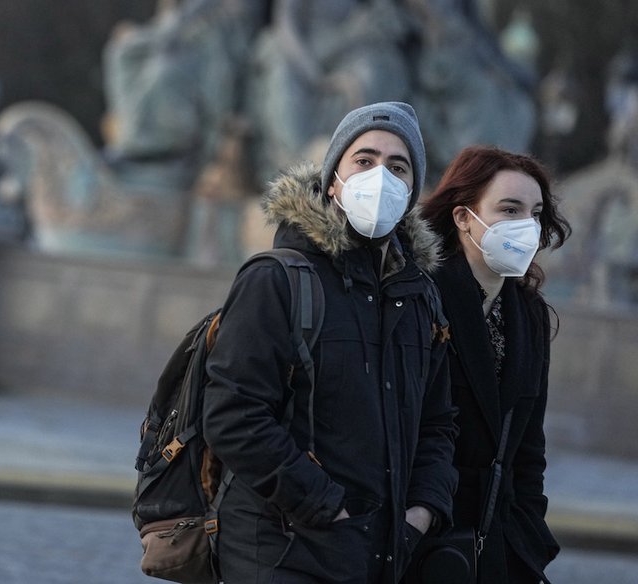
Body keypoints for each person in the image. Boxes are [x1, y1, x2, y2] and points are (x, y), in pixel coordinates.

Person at [203, 101, 458, 583]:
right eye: (364, 160)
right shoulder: (278, 279)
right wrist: (326, 506)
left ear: (410, 193)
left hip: (378, 554)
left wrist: (421, 512)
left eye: (397, 166)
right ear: (333, 180)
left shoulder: (420, 297)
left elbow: (438, 422)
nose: (379, 176)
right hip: (281, 549)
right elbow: (233, 415)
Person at [417, 146, 570, 582]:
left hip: (498, 540)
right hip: (424, 536)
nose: (527, 225)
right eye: (509, 209)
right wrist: (415, 518)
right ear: (464, 217)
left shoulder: (529, 314)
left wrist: (529, 532)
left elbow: (529, 446)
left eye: (535, 212)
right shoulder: (421, 295)